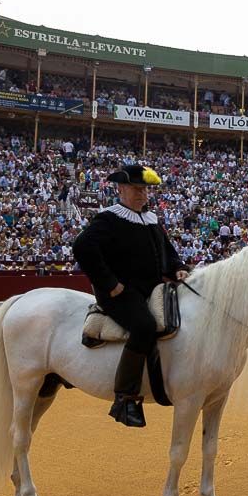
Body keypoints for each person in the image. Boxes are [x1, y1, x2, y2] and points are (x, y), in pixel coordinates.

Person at [72, 164, 189, 428]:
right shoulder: (110, 218)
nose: (142, 194)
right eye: (136, 189)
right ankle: (124, 398)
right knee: (144, 326)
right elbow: (82, 247)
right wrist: (109, 283)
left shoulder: (150, 219)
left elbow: (168, 253)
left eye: (145, 189)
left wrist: (179, 268)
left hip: (151, 289)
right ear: (121, 189)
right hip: (120, 293)